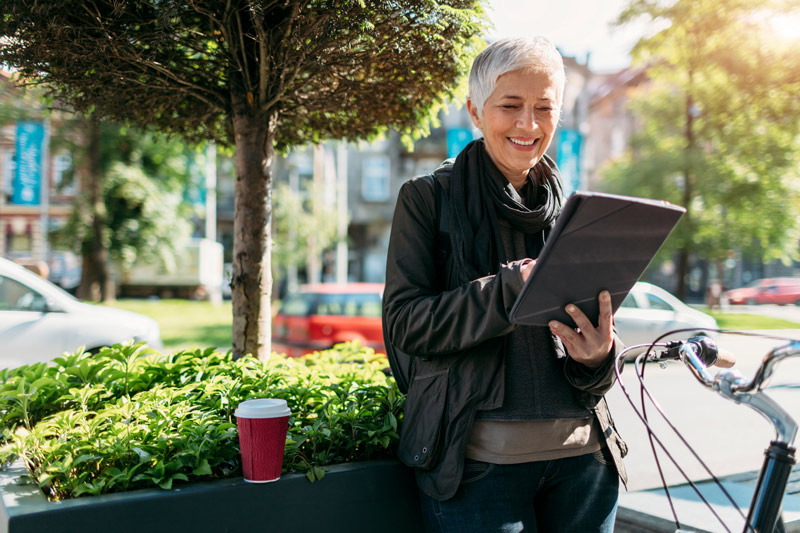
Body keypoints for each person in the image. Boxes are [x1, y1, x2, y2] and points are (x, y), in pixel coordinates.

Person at [383, 36, 628, 532]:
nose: (529, 124)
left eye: (544, 108)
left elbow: (592, 343)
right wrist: (509, 287)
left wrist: (599, 354)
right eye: (510, 106)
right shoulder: (427, 198)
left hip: (584, 465)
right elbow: (404, 325)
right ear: (475, 110)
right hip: (477, 470)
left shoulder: (575, 212)